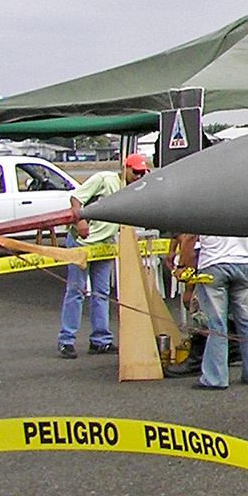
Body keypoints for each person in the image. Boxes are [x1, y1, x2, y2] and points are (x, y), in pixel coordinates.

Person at [59, 152, 150, 358]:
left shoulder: (134, 190)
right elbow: (76, 197)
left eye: (142, 173)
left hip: (104, 243)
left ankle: (100, 339)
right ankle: (66, 339)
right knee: (77, 290)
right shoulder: (104, 179)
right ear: (125, 168)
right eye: (135, 172)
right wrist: (80, 220)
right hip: (82, 242)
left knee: (101, 292)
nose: (138, 177)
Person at [179, 233, 248, 390]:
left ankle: (216, 378)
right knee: (247, 322)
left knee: (216, 324)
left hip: (213, 264)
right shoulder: (241, 207)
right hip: (243, 262)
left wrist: (183, 266)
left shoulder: (202, 209)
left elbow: (189, 237)